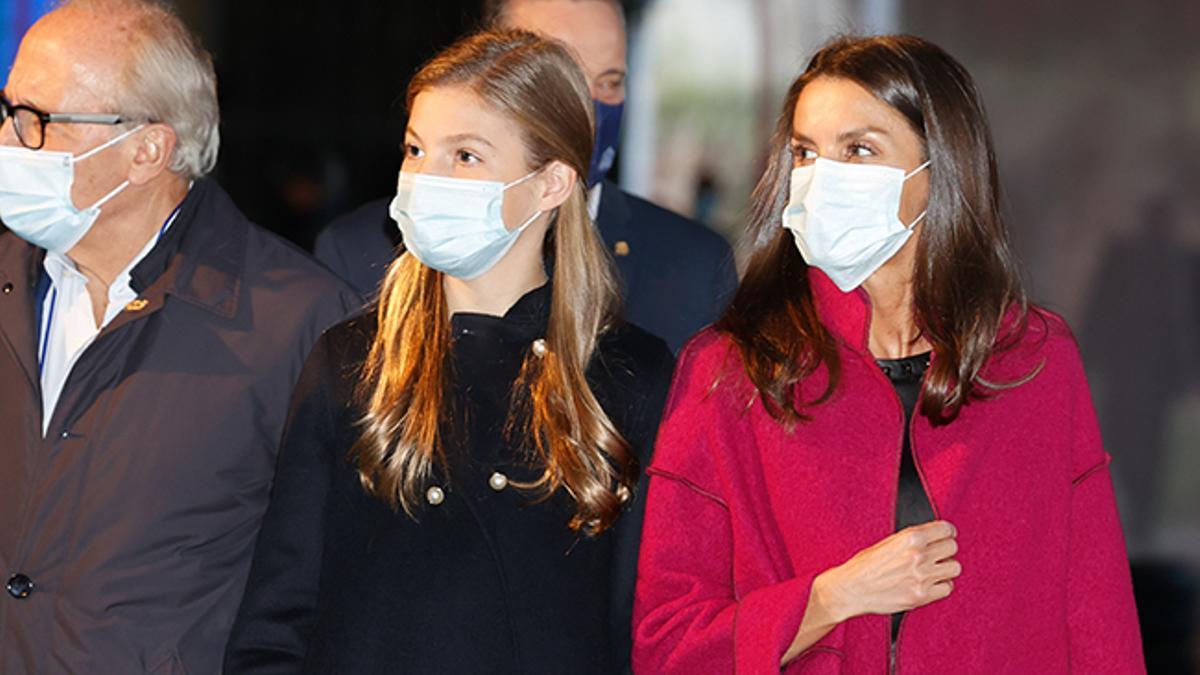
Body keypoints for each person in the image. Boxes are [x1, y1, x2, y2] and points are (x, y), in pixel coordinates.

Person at [632, 35, 1145, 673]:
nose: (822, 177)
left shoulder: (1033, 362)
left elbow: (1098, 622)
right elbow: (669, 641)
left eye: (859, 149)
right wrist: (832, 597)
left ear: (938, 171)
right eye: (806, 152)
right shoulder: (731, 369)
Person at [224, 29, 674, 673]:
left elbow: (633, 623)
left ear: (551, 184)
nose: (425, 178)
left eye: (465, 156)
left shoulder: (628, 375)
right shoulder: (352, 360)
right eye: (415, 149)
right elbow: (278, 616)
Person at [0, 1, 359, 672]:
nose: (7, 141)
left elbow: (331, 593)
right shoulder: (9, 277)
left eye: (35, 121)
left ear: (146, 149)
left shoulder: (299, 323)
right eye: (7, 110)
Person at [313, 0, 737, 352]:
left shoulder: (692, 265)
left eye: (609, 82)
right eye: (554, 76)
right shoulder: (359, 253)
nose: (584, 107)